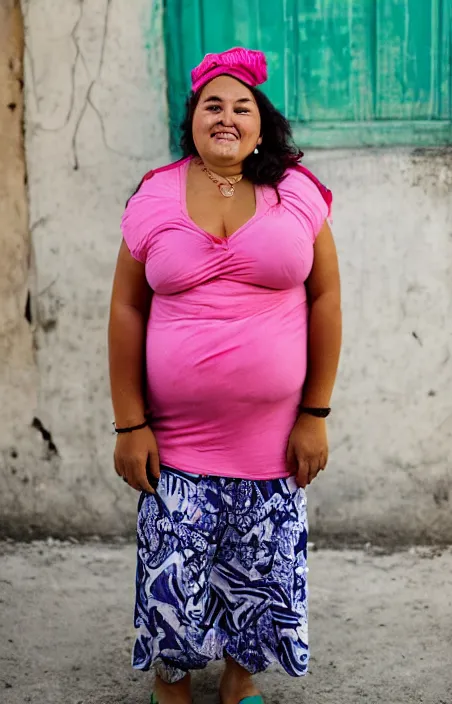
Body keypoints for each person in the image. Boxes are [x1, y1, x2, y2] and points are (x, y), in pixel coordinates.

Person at [108, 47, 342, 704]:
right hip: (176, 440)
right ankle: (171, 684)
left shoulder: (297, 193)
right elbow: (127, 309)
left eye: (243, 106)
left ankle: (239, 681)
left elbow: (326, 299)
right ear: (193, 120)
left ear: (261, 125)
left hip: (271, 443)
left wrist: (315, 414)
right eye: (213, 103)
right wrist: (130, 423)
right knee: (172, 567)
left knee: (259, 568)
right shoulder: (154, 194)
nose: (228, 116)